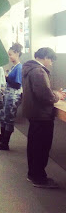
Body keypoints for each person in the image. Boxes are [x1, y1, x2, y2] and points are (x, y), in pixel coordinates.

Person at [22, 47, 66, 188]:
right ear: (45, 57)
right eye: (51, 60)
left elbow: (40, 91)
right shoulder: (39, 71)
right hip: (42, 115)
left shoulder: (29, 68)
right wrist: (57, 96)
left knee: (34, 146)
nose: (51, 63)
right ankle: (39, 178)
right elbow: (45, 96)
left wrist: (53, 93)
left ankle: (33, 174)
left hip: (34, 114)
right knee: (41, 148)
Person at [0, 43, 23, 151]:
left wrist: (6, 78)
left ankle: (5, 143)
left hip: (13, 95)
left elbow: (18, 84)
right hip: (8, 95)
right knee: (3, 117)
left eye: (10, 54)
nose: (9, 57)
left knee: (9, 119)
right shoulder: (14, 67)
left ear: (17, 54)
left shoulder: (19, 67)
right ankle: (2, 140)